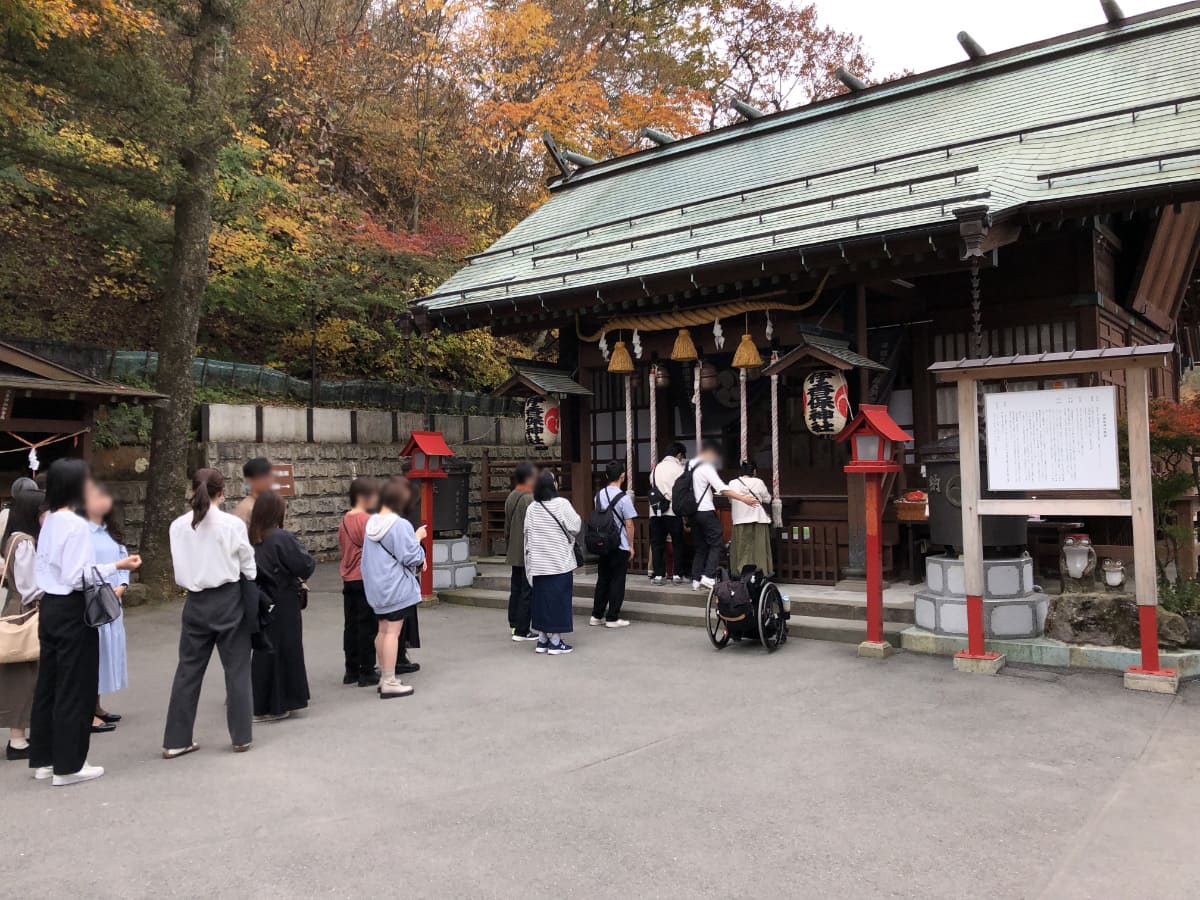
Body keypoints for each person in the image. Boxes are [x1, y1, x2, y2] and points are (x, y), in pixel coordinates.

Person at [30, 459, 141, 786]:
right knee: (75, 687)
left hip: (49, 606)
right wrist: (116, 566)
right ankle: (70, 765)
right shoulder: (75, 524)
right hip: (73, 608)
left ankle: (45, 759)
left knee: (48, 685)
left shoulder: (49, 520)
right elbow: (78, 576)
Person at [163, 468, 257, 759]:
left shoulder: (178, 525)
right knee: (237, 669)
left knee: (188, 671)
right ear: (222, 490)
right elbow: (248, 565)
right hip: (228, 597)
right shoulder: (231, 524)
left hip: (194, 599)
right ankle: (240, 736)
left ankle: (176, 740)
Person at [249, 491, 316, 722]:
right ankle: (280, 703)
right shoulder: (281, 537)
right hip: (283, 598)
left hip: (258, 598)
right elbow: (304, 565)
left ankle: (261, 703)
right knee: (286, 649)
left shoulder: (251, 537)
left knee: (263, 651)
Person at [362, 476, 425, 699]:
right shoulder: (399, 525)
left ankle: (384, 676)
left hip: (377, 588)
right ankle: (389, 681)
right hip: (395, 587)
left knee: (382, 630)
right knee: (392, 632)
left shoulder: (373, 522)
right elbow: (410, 556)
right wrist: (417, 538)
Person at [1, 484, 45, 761]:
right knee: (25, 675)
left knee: (18, 676)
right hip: (25, 611)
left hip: (12, 607)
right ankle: (18, 740)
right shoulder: (25, 542)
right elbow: (32, 586)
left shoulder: (11, 538)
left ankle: (20, 737)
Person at [686, 440, 760, 591]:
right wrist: (743, 498)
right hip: (705, 510)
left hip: (692, 512)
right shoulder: (706, 467)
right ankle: (708, 576)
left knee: (701, 546)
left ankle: (696, 579)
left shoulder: (689, 466)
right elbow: (721, 488)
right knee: (717, 542)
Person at [86, 483, 129, 735]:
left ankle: (97, 705)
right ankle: (88, 710)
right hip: (93, 602)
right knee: (94, 654)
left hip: (113, 602)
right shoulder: (82, 533)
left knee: (106, 653)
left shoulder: (110, 531)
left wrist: (122, 585)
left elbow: (123, 560)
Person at [524, 471, 581, 655]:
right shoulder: (561, 504)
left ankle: (542, 639)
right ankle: (555, 641)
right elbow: (576, 526)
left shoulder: (532, 508)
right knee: (559, 601)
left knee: (540, 602)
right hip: (559, 562)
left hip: (539, 564)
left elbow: (527, 534)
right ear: (553, 485)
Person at [339, 476, 383, 686]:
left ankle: (351, 670)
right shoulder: (368, 521)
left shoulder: (345, 520)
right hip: (366, 577)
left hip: (348, 577)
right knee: (368, 626)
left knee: (351, 625)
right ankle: (367, 670)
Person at [589, 460, 636, 629]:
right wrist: (631, 545)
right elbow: (629, 524)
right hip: (619, 544)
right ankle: (612, 617)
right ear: (623, 476)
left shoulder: (598, 495)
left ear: (607, 476)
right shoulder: (624, 498)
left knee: (603, 579)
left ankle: (596, 614)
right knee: (617, 580)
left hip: (603, 542)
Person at [503, 462, 538, 642]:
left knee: (515, 589)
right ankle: (522, 630)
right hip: (526, 551)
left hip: (513, 551)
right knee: (527, 590)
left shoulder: (511, 497)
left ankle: (514, 623)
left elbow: (507, 527)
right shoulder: (529, 499)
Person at [649, 442, 689, 585]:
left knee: (657, 544)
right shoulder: (679, 469)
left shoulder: (655, 469)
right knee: (678, 543)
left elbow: (652, 485)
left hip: (655, 511)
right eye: (682, 457)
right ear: (679, 455)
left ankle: (659, 575)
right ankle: (677, 574)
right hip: (673, 510)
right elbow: (684, 489)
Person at [729, 461, 774, 577]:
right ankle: (761, 573)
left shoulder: (732, 483)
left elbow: (730, 500)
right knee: (759, 548)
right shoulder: (758, 482)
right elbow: (768, 499)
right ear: (754, 471)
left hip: (740, 519)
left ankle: (740, 572)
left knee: (742, 548)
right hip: (757, 519)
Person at [233, 457, 274, 527]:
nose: (270, 480)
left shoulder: (270, 504)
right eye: (265, 477)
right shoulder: (245, 510)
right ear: (250, 480)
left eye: (270, 476)